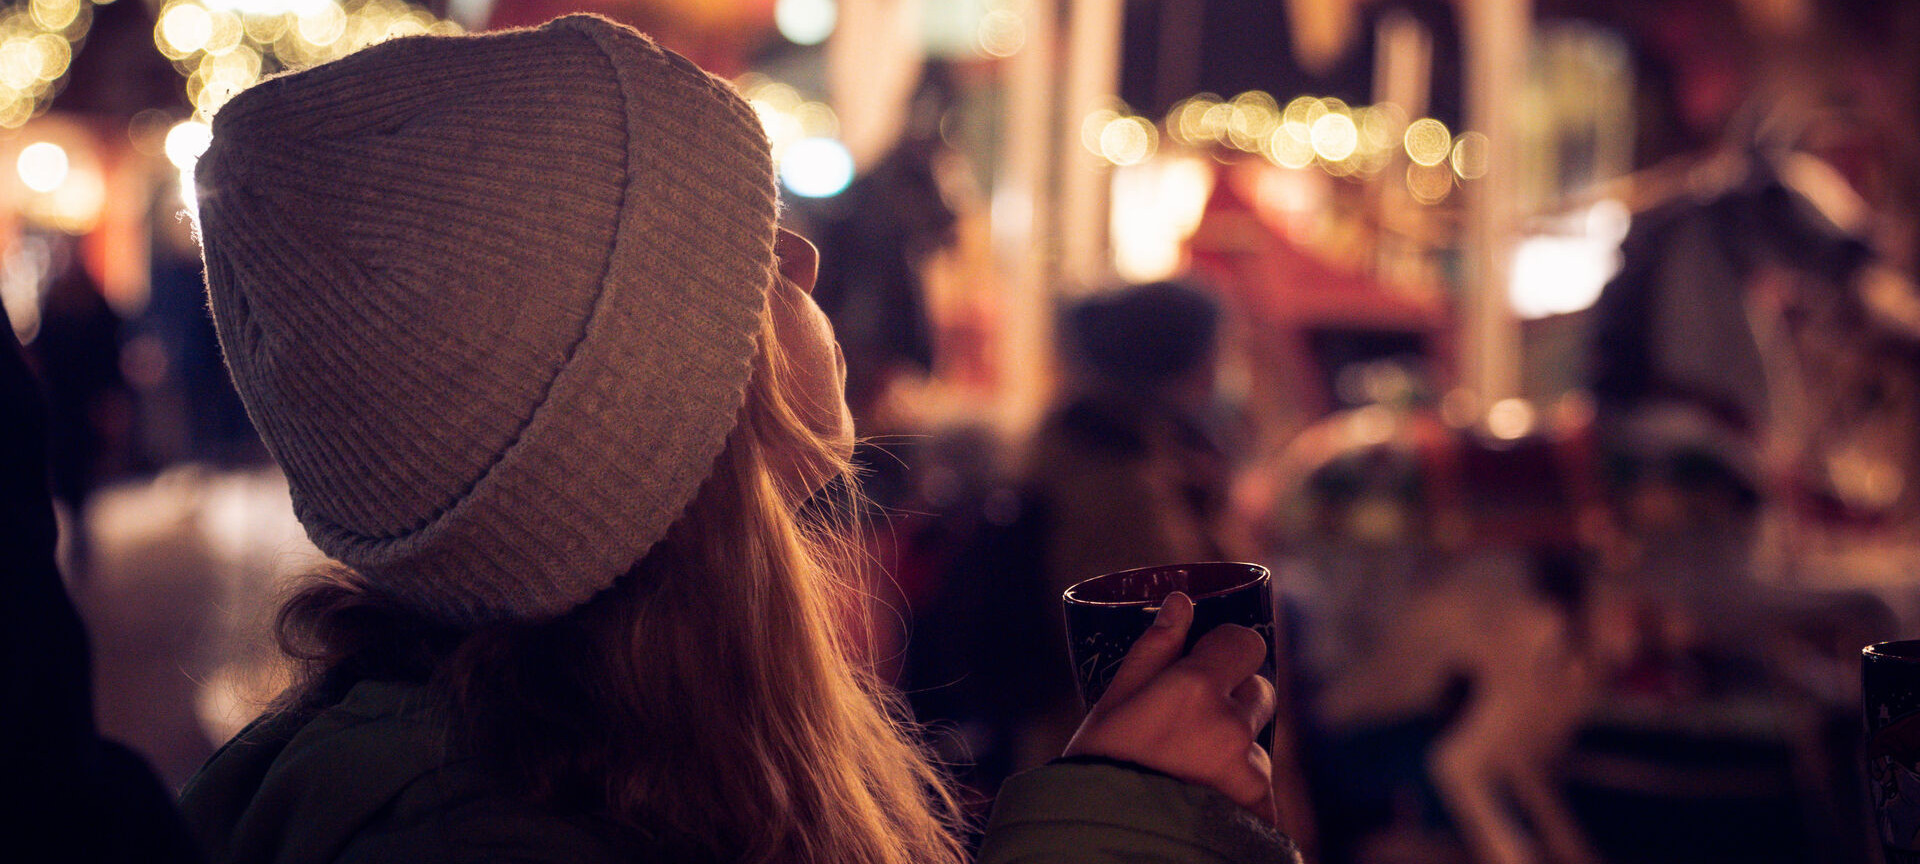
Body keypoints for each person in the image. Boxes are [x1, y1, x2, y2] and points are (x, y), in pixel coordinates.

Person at [177, 16, 1295, 864]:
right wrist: (1122, 822)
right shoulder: (483, 831)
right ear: (648, 403)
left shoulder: (571, 743)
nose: (804, 265)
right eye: (744, 257)